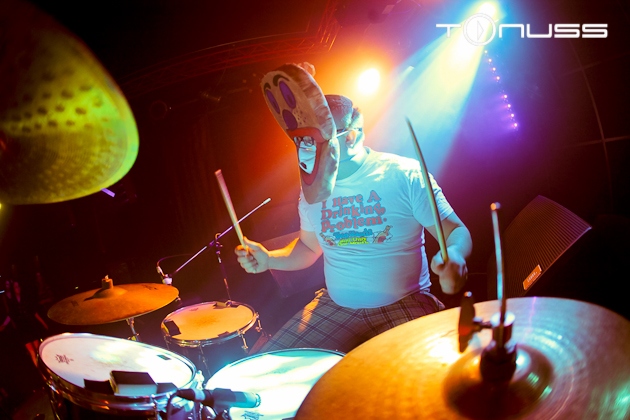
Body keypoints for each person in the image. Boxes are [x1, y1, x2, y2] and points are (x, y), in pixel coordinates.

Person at [235, 82, 471, 354]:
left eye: (317, 137)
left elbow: (456, 230)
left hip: (405, 302)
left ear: (350, 137)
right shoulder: (312, 189)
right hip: (335, 306)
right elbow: (309, 247)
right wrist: (269, 259)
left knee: (422, 371)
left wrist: (454, 254)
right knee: (271, 368)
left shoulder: (404, 175)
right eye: (303, 139)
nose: (307, 147)